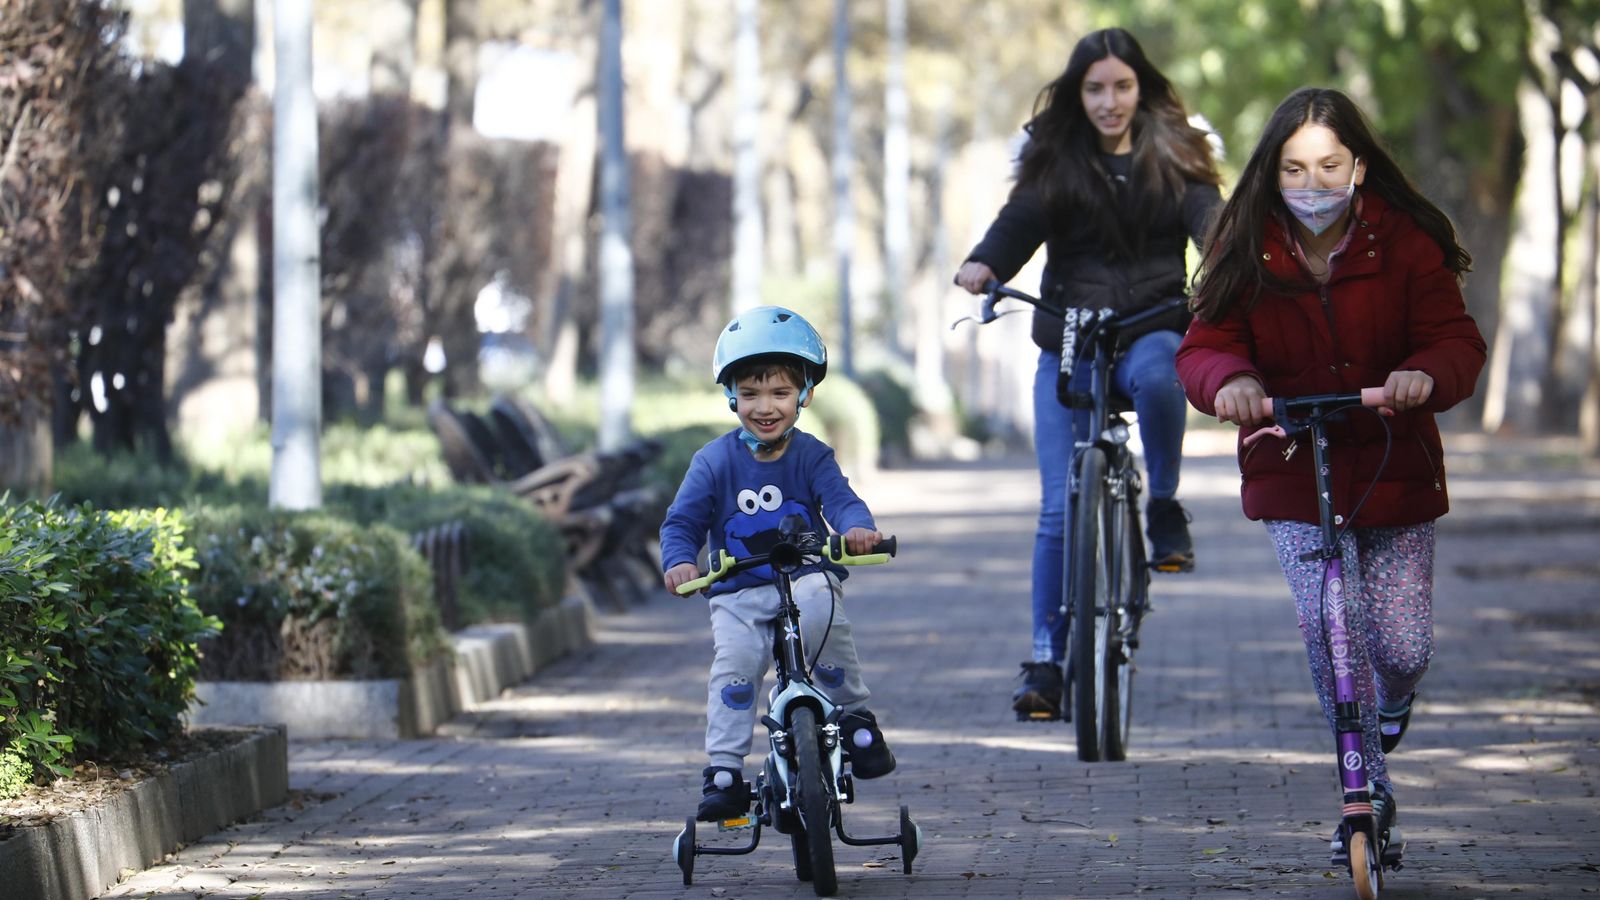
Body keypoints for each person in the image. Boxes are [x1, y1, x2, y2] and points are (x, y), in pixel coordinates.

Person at [1176, 86, 1486, 842]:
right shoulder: (1245, 243)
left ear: (1358, 167)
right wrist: (1235, 383)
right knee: (1331, 625)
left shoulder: (1404, 242)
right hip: (1292, 465)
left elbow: (1456, 342)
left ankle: (1391, 701)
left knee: (1403, 647)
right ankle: (1367, 790)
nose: (1311, 184)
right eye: (1293, 167)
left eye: (1328, 165)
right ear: (1270, 170)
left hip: (1392, 463)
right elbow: (1204, 346)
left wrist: (1424, 375)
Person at [953, 27, 1221, 720]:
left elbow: (1209, 218)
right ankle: (1047, 660)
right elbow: (1019, 220)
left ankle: (1162, 503)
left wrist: (1226, 254)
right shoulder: (1058, 159)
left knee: (1165, 374)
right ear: (1079, 93)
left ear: (1142, 88)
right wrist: (987, 262)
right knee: (1054, 511)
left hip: (1152, 326)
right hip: (1070, 341)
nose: (1109, 102)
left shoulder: (1176, 153)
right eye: (1095, 88)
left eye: (1122, 87)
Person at [660, 305, 897, 823]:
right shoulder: (713, 462)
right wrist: (680, 561)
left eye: (779, 393)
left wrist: (857, 529)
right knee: (736, 667)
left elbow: (840, 500)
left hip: (805, 574)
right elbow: (681, 523)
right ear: (731, 396)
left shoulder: (812, 456)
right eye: (750, 394)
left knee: (823, 619)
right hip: (738, 590)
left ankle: (856, 717)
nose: (764, 407)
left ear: (804, 395)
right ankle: (724, 770)